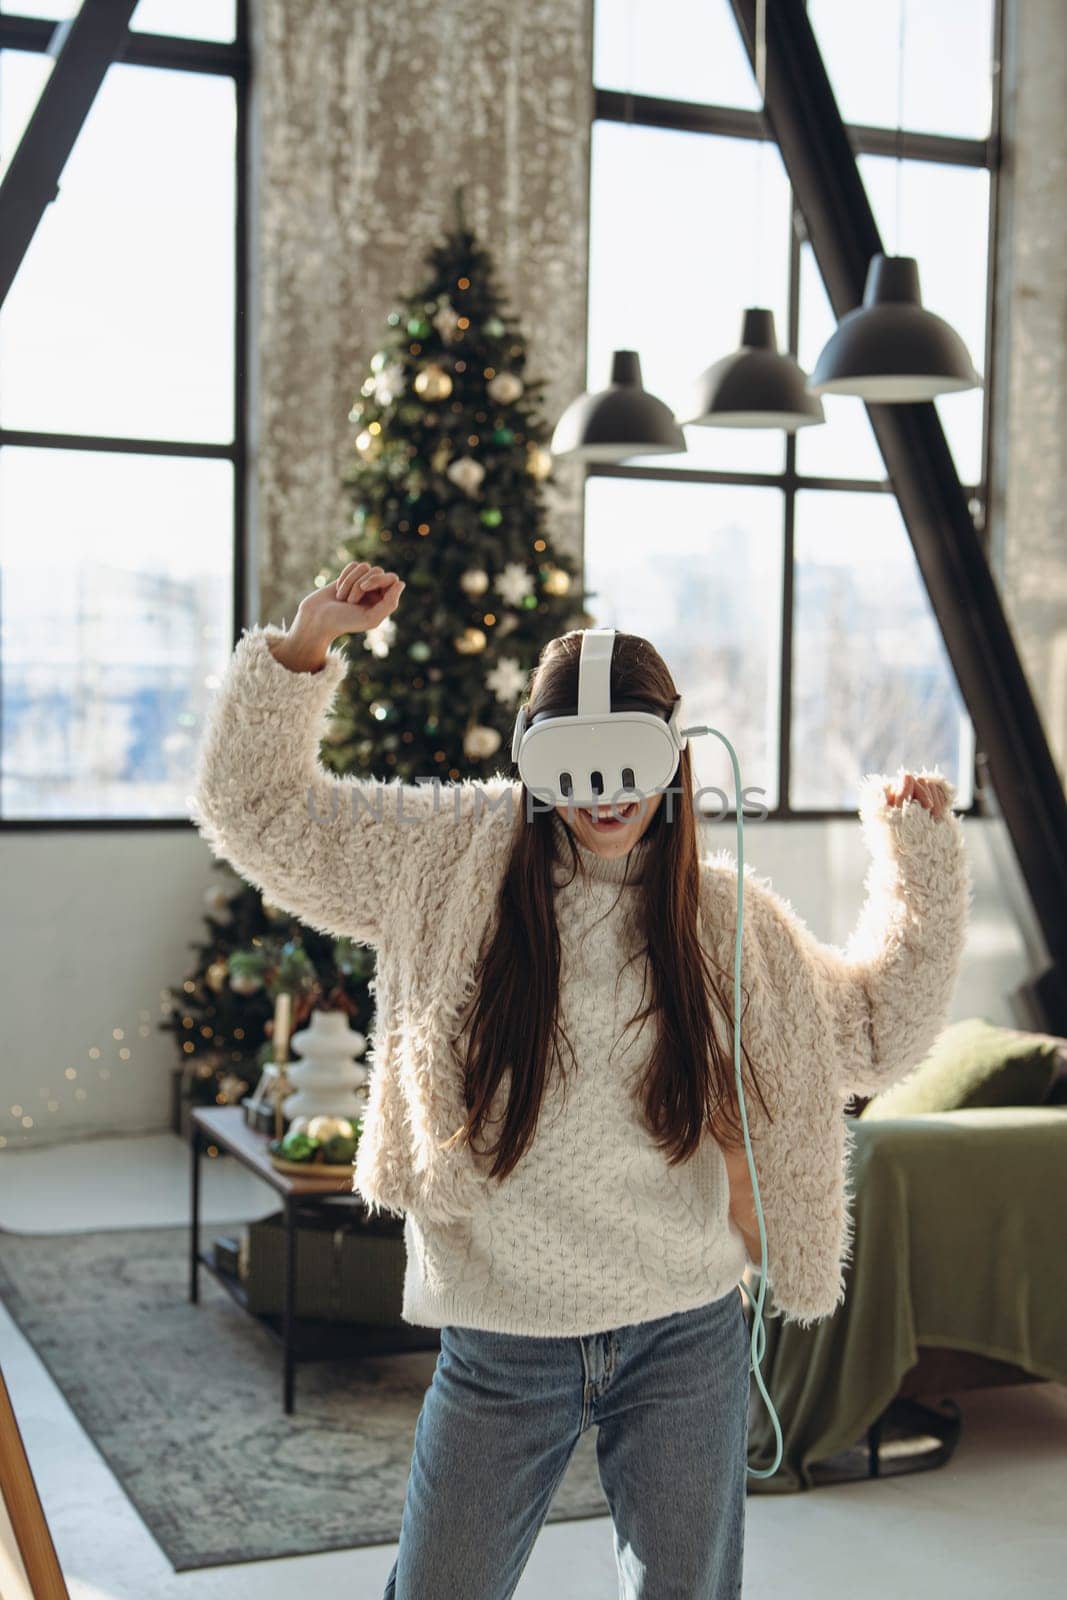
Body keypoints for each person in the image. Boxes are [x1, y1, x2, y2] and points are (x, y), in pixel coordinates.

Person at [191, 561, 971, 1600]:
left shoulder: (725, 918)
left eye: (630, 764)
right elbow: (258, 813)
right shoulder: (443, 861)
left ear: (674, 762)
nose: (605, 796)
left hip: (682, 1330)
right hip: (500, 1339)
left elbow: (875, 1033)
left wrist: (917, 863)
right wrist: (302, 648)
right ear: (529, 763)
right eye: (575, 766)